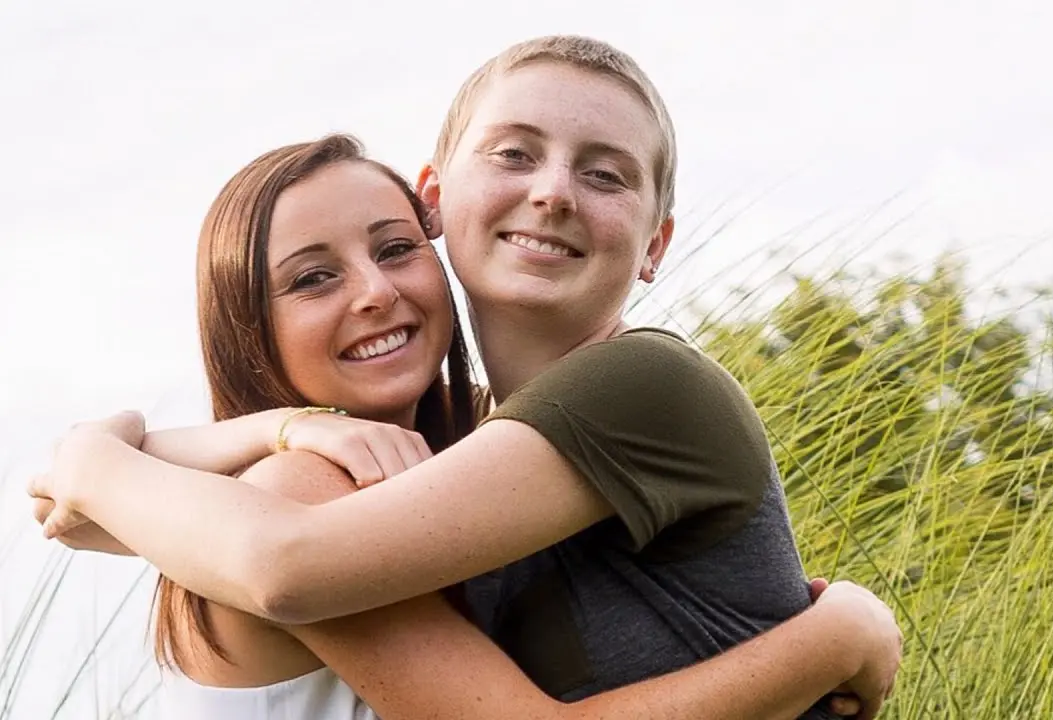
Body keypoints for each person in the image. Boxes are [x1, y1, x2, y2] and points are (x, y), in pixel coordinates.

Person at [31, 35, 902, 719]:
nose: (554, 193)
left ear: (655, 247)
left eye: (603, 174)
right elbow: (251, 551)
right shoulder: (353, 478)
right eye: (515, 154)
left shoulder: (639, 384)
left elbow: (184, 534)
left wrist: (95, 469)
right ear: (440, 192)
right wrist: (835, 638)